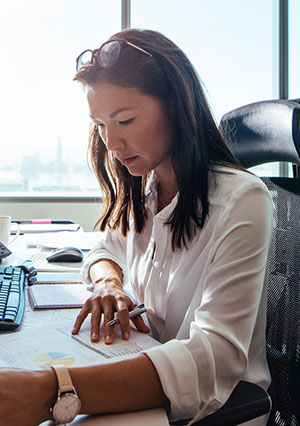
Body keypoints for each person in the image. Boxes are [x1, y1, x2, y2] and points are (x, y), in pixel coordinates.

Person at [0, 29, 273, 426]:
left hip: (216, 406)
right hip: (148, 374)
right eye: (100, 125)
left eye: (125, 120)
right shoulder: (148, 188)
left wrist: (51, 390)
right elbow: (104, 250)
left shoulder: (242, 201)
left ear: (177, 107)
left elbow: (213, 357)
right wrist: (109, 284)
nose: (112, 142)